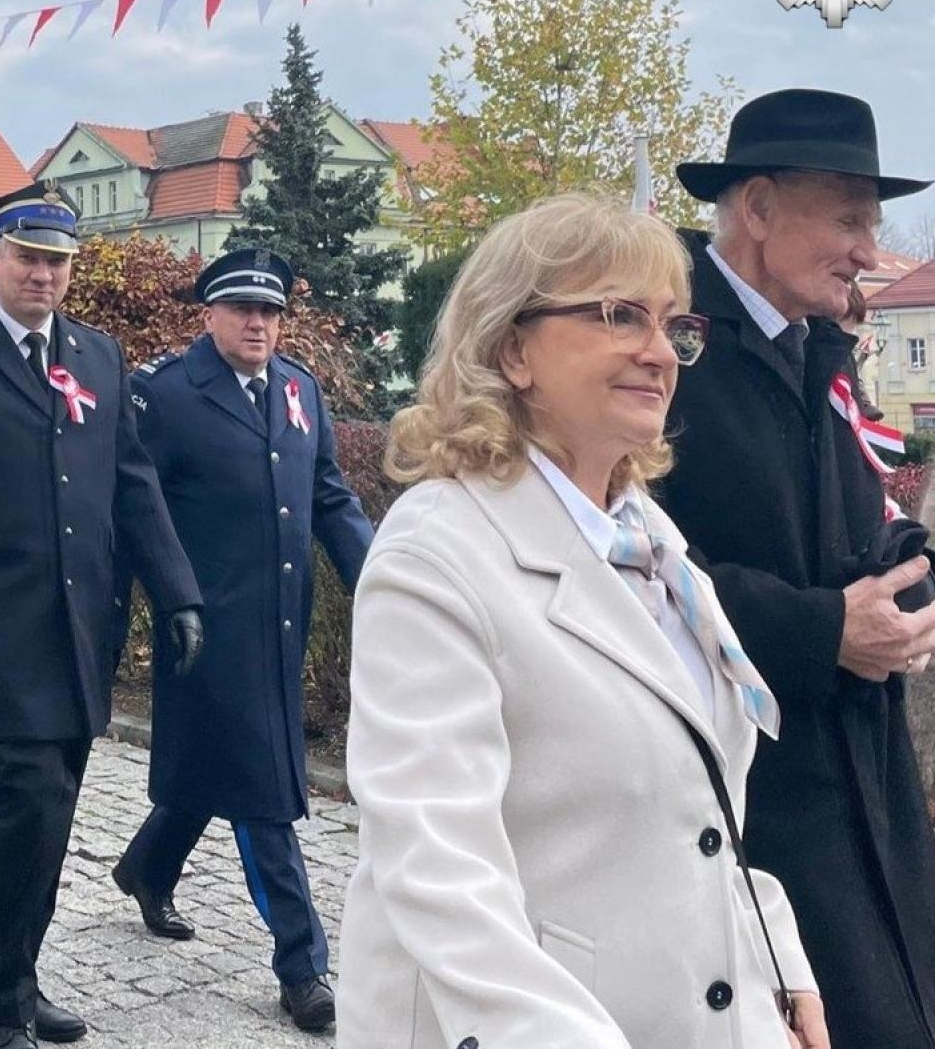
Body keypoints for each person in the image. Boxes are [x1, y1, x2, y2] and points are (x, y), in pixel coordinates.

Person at [338, 194, 826, 1049]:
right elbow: (436, 869)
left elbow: (699, 810)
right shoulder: (437, 552)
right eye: (618, 315)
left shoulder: (649, 538)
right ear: (512, 348)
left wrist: (774, 960)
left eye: (674, 326)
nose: (659, 352)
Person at [0, 181, 204, 1049]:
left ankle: (4, 981)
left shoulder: (97, 357)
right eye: (28, 258)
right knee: (30, 798)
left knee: (51, 809)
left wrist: (177, 589)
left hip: (78, 627)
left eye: (58, 262)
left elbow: (130, 481)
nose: (44, 276)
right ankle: (6, 999)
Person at [661, 88, 935, 1048]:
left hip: (866, 767)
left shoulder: (822, 344)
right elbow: (636, 563)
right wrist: (826, 630)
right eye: (850, 218)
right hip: (751, 787)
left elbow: (870, 504)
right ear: (762, 208)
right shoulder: (665, 343)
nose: (870, 248)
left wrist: (912, 577)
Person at [111, 246, 372, 1034]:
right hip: (205, 629)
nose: (259, 323)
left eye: (272, 311)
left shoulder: (298, 389)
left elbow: (328, 496)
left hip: (281, 624)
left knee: (210, 768)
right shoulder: (164, 394)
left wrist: (387, 581)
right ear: (210, 314)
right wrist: (153, 603)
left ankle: (147, 868)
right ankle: (304, 965)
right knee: (264, 793)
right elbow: (133, 509)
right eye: (243, 310)